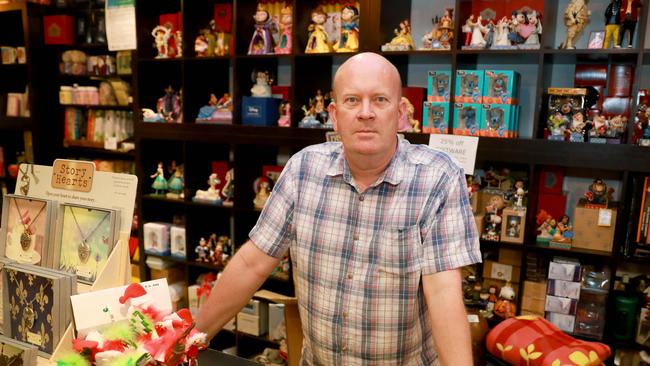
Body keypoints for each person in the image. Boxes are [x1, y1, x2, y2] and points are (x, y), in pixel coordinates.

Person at [196, 52, 481, 365]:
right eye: (352, 100)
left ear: (401, 113)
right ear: (334, 114)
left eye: (380, 99)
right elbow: (253, 262)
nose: (366, 113)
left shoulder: (438, 177)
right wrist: (191, 339)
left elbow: (443, 292)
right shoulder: (302, 170)